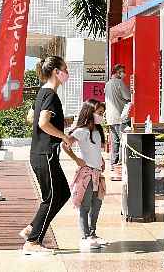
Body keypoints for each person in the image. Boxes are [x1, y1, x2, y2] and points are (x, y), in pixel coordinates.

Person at [21, 56, 72, 255]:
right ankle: (33, 242)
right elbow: (42, 123)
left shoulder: (42, 93)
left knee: (63, 193)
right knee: (51, 198)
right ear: (56, 72)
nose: (67, 72)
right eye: (65, 69)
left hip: (41, 154)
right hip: (45, 154)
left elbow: (30, 118)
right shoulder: (50, 95)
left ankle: (32, 228)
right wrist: (64, 136)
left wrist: (62, 121)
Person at [64, 99, 107, 251]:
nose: (101, 116)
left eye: (102, 113)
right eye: (99, 113)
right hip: (87, 174)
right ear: (90, 112)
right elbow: (65, 143)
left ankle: (93, 233)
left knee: (97, 204)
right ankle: (85, 236)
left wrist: (101, 160)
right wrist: (76, 160)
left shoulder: (97, 131)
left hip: (98, 173)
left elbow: (95, 150)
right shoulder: (81, 131)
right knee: (85, 205)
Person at [105, 64, 131, 167]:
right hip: (120, 117)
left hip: (110, 118)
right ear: (117, 72)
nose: (124, 74)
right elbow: (128, 97)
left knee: (115, 141)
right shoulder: (119, 83)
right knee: (122, 141)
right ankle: (121, 164)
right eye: (122, 71)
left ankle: (113, 163)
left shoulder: (107, 84)